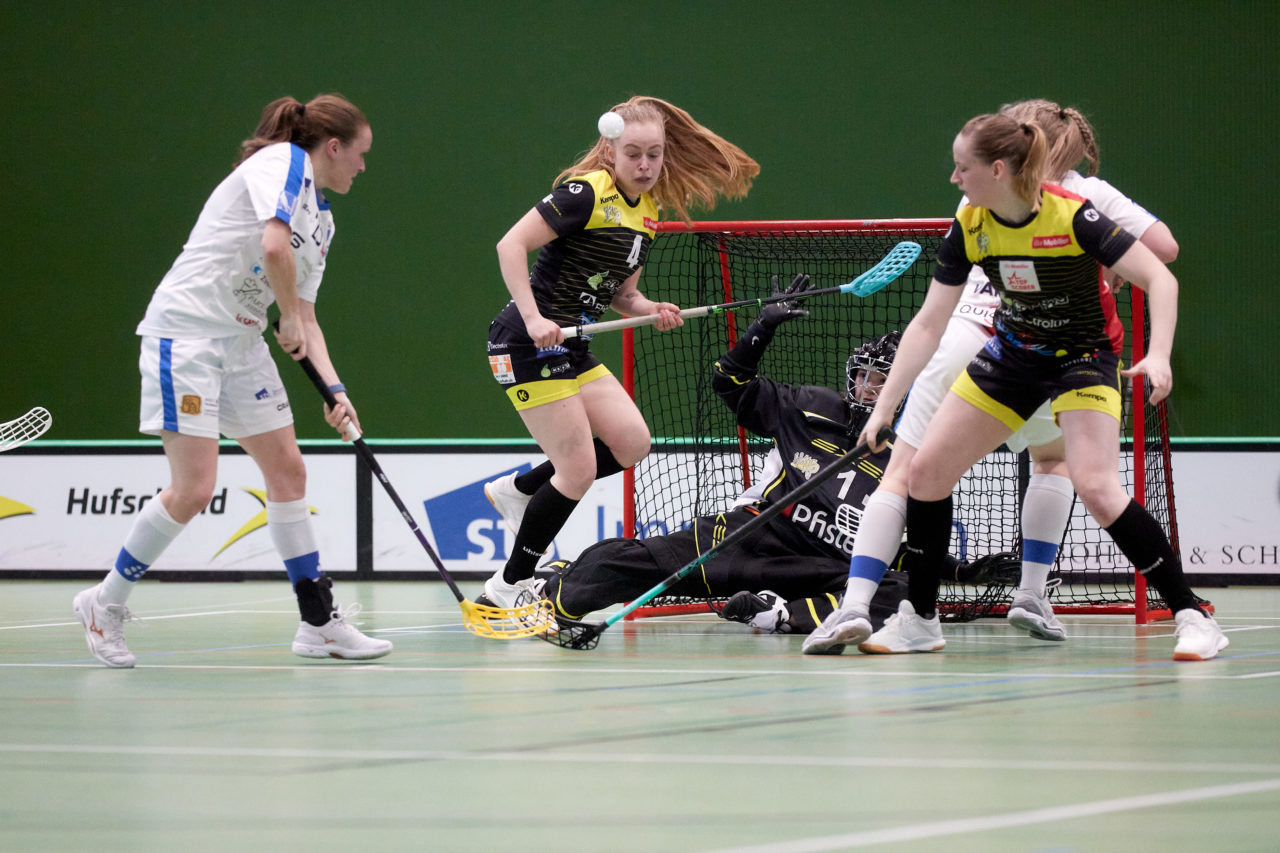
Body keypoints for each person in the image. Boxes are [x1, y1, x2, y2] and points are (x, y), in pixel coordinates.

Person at [803, 99, 1181, 655]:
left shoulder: (1068, 205)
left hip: (1039, 350)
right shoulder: (1012, 201)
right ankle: (1024, 594)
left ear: (1008, 158)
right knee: (1040, 463)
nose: (956, 176)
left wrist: (1097, 268)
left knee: (904, 473)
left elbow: (1157, 269)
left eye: (964, 164)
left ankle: (855, 607)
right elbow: (1166, 246)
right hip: (1004, 352)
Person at [72, 94, 391, 668]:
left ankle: (318, 622)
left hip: (241, 344)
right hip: (187, 337)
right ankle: (104, 602)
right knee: (193, 489)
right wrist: (288, 315)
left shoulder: (323, 222)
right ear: (334, 147)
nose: (364, 168)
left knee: (289, 470)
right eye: (361, 154)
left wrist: (336, 390)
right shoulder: (282, 163)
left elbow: (307, 320)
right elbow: (272, 246)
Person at [534, 280, 1012, 634]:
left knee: (899, 591)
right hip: (749, 537)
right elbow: (729, 382)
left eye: (881, 379)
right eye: (863, 374)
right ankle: (554, 590)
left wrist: (959, 572)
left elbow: (894, 546)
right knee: (628, 561)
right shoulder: (810, 405)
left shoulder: (913, 452)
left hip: (818, 566)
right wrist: (761, 327)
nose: (867, 386)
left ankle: (778, 613)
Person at [479, 96, 759, 610]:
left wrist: (651, 306)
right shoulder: (584, 194)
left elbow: (621, 295)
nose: (646, 165)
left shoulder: (647, 213)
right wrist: (537, 317)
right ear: (610, 151)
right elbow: (509, 245)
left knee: (631, 442)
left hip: (573, 345)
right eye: (634, 153)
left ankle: (519, 491)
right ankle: (508, 585)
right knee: (579, 468)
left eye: (654, 154)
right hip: (524, 341)